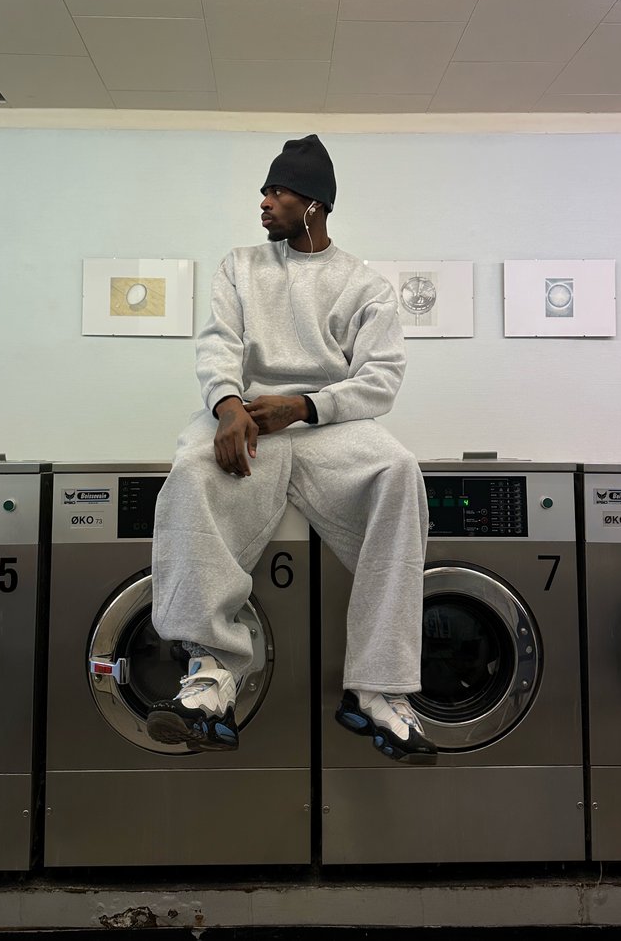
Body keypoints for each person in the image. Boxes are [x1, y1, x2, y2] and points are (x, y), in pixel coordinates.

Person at [147, 135, 436, 765]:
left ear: (314, 204)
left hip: (323, 423)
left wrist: (303, 406)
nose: (264, 201)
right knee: (192, 469)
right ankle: (212, 676)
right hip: (246, 417)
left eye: (277, 191)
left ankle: (379, 688)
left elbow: (379, 380)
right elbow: (218, 344)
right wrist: (227, 408)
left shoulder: (364, 285)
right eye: (265, 190)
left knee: (398, 470)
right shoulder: (240, 266)